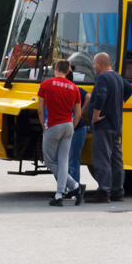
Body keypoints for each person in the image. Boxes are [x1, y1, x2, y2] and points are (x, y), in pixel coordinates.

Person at [86, 52, 132, 203]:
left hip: (103, 125)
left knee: (102, 159)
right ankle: (118, 192)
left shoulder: (102, 77)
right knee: (116, 160)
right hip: (116, 125)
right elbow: (130, 89)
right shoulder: (117, 77)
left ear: (100, 64)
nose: (93, 67)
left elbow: (100, 95)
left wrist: (95, 115)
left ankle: (103, 193)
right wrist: (119, 101)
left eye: (94, 64)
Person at [37, 59, 85, 207]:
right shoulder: (74, 88)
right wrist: (72, 125)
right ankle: (60, 194)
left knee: (50, 161)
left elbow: (40, 109)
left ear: (56, 68)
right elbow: (78, 114)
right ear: (69, 71)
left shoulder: (45, 85)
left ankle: (74, 186)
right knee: (64, 160)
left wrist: (44, 127)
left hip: (53, 125)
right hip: (69, 126)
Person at [65, 60, 92, 188]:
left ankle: (73, 188)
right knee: (68, 160)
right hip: (71, 128)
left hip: (76, 128)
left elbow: (89, 97)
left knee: (72, 160)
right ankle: (69, 187)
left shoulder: (73, 89)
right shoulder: (75, 89)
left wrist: (80, 113)